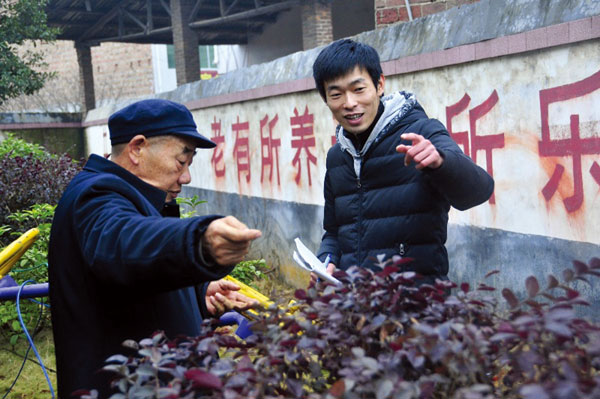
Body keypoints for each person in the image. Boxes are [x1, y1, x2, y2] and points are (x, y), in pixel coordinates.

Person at [48, 99, 262, 397]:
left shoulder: (133, 196)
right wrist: (198, 242)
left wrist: (198, 294)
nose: (186, 176)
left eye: (189, 163)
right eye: (181, 161)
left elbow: (140, 277)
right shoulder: (97, 195)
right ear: (137, 148)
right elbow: (124, 243)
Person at [311, 39, 494, 284]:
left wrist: (441, 162)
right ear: (326, 99)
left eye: (358, 89)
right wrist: (327, 259)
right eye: (336, 94)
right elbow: (334, 232)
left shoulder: (422, 133)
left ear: (379, 85)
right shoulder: (337, 157)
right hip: (355, 309)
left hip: (417, 306)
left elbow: (479, 191)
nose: (349, 103)